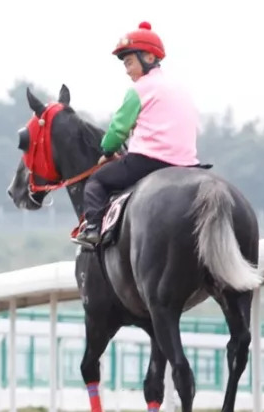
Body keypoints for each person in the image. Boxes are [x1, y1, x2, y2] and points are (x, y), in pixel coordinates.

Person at [74, 21, 200, 249]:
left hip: (148, 161)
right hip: (188, 163)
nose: (127, 70)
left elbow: (117, 130)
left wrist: (107, 151)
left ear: (149, 58)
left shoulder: (139, 89)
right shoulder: (179, 87)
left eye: (130, 62)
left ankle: (92, 229)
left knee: (96, 182)